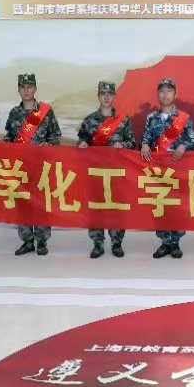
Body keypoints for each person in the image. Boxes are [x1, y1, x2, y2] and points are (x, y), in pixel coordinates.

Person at [141, 78, 194, 259]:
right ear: (157, 94)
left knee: (177, 206)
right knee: (160, 206)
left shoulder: (184, 118)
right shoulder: (151, 118)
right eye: (162, 91)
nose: (165, 94)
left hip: (178, 171)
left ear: (175, 94)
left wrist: (184, 146)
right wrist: (144, 145)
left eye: (169, 91)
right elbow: (146, 139)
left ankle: (175, 243)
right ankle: (164, 242)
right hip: (158, 171)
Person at [3, 74, 62, 256]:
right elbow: (10, 137)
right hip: (20, 166)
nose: (26, 90)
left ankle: (42, 241)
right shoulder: (14, 113)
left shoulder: (46, 111)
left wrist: (49, 145)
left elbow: (55, 136)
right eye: (23, 87)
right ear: (18, 90)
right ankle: (27, 241)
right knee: (23, 203)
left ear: (35, 88)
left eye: (29, 86)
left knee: (41, 203)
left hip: (41, 166)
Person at [78, 81, 136, 259]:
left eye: (109, 94)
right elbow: (82, 139)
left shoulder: (123, 120)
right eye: (103, 94)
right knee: (96, 208)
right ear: (98, 96)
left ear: (113, 96)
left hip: (116, 173)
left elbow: (132, 143)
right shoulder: (89, 120)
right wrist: (82, 143)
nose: (106, 97)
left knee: (116, 208)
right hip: (95, 173)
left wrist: (123, 144)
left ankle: (116, 242)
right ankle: (98, 243)